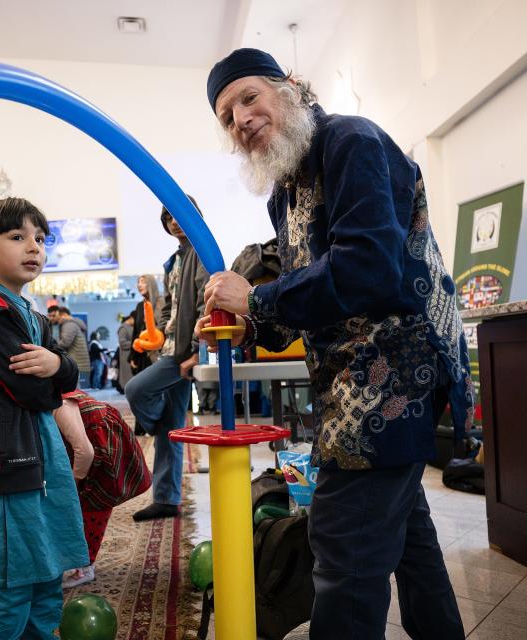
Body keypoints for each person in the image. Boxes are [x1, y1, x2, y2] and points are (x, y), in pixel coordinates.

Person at [201, 48, 472, 639]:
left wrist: (260, 299)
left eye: (249, 98)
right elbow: (315, 294)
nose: (240, 119)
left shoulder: (351, 141)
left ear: (291, 87)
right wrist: (249, 322)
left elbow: (370, 267)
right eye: (226, 116)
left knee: (344, 551)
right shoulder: (285, 191)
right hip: (348, 388)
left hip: (394, 382)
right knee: (412, 549)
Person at [0, 197, 86, 640]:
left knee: (47, 582)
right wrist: (57, 372)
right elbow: (32, 389)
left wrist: (58, 367)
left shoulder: (29, 313)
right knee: (11, 592)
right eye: (18, 237)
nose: (34, 248)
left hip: (38, 459)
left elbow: (66, 376)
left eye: (40, 239)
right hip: (7, 466)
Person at [124, 198, 209, 521]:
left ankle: (155, 426)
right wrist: (159, 330)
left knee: (136, 390)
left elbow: (208, 305)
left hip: (183, 353)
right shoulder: (174, 261)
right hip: (171, 348)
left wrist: (197, 353)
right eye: (168, 217)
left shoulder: (201, 253)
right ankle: (167, 499)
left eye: (180, 215)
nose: (174, 222)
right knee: (171, 431)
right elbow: (168, 305)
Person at [54, 390, 152, 589]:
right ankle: (77, 559)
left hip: (101, 448)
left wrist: (74, 481)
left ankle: (85, 567)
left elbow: (85, 451)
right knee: (81, 504)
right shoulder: (54, 400)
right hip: (92, 442)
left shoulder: (61, 405)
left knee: (95, 505)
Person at [128, 274, 164, 375]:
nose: (139, 285)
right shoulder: (140, 306)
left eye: (143, 282)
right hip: (142, 354)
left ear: (151, 284)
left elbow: (163, 325)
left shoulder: (160, 302)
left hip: (158, 352)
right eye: (138, 282)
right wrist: (133, 356)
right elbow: (136, 332)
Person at [47, 306, 90, 387]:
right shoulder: (71, 324)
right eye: (50, 316)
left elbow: (65, 343)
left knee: (74, 389)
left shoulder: (69, 325)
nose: (55, 318)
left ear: (63, 315)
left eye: (56, 316)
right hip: (74, 360)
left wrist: (51, 348)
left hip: (74, 360)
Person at [115, 311, 135, 392]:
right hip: (126, 357)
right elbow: (122, 343)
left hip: (131, 356)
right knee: (127, 377)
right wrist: (135, 343)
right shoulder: (123, 328)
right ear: (131, 318)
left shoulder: (130, 327)